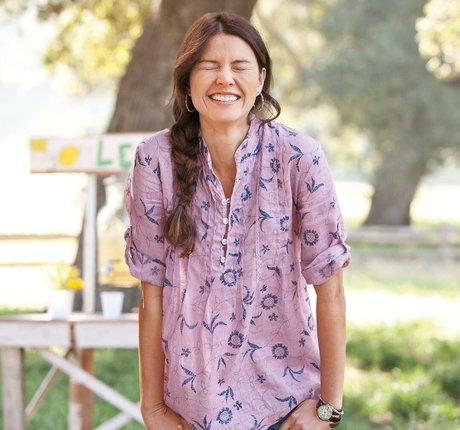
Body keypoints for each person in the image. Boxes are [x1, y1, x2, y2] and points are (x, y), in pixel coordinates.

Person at [124, 11, 350, 430]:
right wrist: (152, 407)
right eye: (209, 66)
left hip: (285, 407)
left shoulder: (299, 157)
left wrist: (328, 408)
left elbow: (331, 288)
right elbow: (150, 294)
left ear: (260, 79)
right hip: (189, 411)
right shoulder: (154, 161)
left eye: (239, 66)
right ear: (187, 82)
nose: (224, 78)